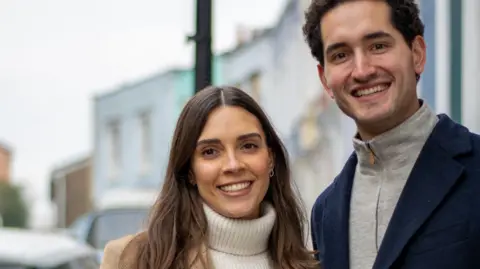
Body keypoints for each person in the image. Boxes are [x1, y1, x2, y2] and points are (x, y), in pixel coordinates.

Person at [302, 0, 480, 269]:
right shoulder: (325, 212)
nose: (362, 70)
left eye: (378, 46)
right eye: (341, 55)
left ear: (417, 54)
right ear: (325, 79)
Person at [100, 86, 319, 269]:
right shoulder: (135, 260)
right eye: (210, 152)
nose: (233, 165)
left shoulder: (310, 264)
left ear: (270, 158)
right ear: (190, 170)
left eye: (248, 146)